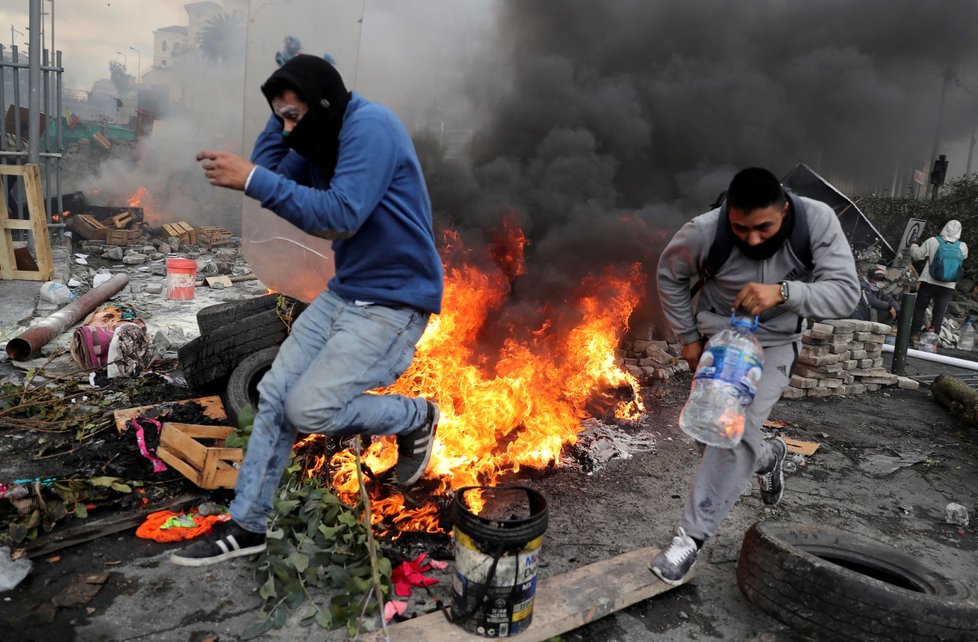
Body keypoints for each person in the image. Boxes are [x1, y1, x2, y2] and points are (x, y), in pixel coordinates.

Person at [171, 55, 444, 567]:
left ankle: (415, 416)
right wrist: (279, 119)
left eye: (295, 115)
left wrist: (252, 177)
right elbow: (273, 173)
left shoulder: (371, 128)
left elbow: (339, 215)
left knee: (308, 409)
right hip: (347, 292)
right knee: (274, 394)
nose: (288, 128)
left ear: (325, 105)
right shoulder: (319, 135)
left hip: (396, 301)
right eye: (281, 117)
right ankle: (248, 524)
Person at [653, 167, 859, 585]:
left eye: (763, 227)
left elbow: (846, 293)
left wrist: (786, 292)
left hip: (775, 344)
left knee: (735, 428)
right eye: (741, 228)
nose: (751, 239)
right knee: (712, 433)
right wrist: (689, 338)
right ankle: (769, 456)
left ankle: (690, 539)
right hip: (720, 341)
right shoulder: (705, 231)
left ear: (783, 209)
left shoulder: (817, 221)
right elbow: (669, 275)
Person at [909, 220, 968, 343]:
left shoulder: (933, 241)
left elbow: (917, 256)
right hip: (948, 285)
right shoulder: (962, 246)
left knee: (920, 308)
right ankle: (933, 339)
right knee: (939, 312)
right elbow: (963, 259)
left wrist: (913, 245)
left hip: (929, 281)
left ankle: (914, 335)